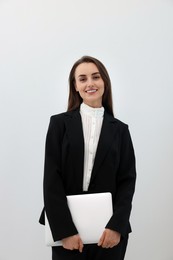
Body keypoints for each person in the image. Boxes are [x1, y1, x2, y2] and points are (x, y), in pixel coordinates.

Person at [39, 55, 136, 260]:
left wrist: (116, 226)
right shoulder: (58, 125)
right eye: (82, 79)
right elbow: (51, 180)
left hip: (109, 234)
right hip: (66, 231)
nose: (90, 83)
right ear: (75, 86)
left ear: (104, 82)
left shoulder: (121, 130)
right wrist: (65, 231)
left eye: (95, 77)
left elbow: (127, 181)